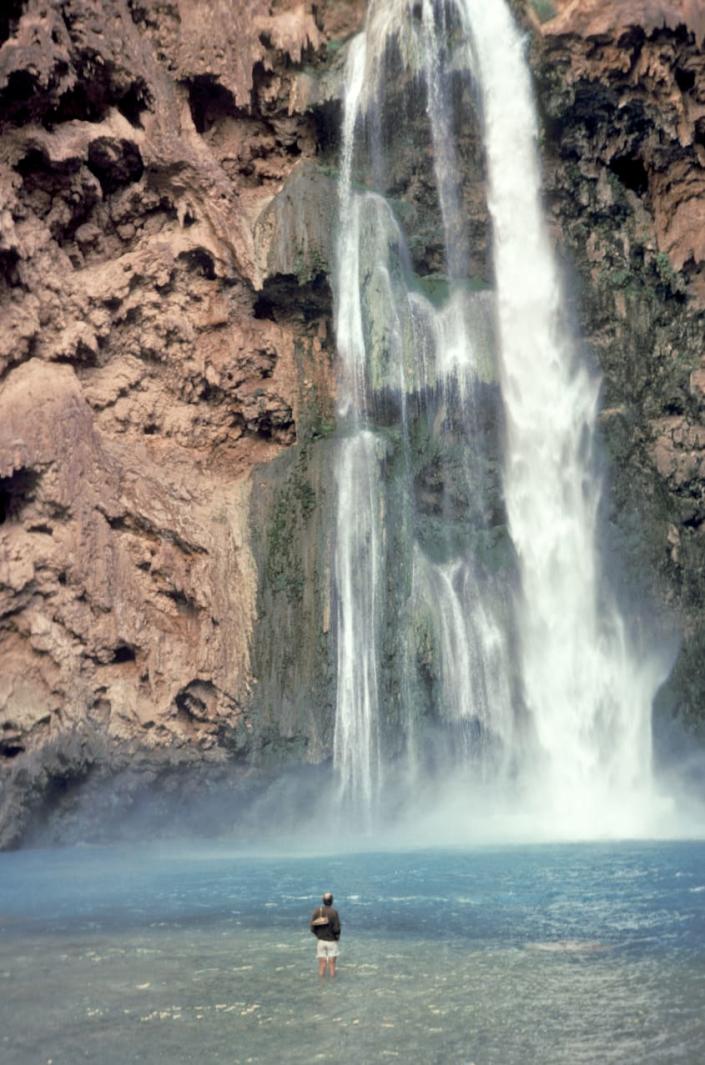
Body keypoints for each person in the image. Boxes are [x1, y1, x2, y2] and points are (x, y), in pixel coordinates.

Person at [310, 890, 341, 978]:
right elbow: (337, 929)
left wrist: (318, 935)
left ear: (323, 901)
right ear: (332, 901)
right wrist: (337, 937)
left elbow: (312, 928)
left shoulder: (317, 911)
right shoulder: (334, 913)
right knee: (332, 965)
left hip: (321, 941)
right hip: (332, 941)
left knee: (322, 965)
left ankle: (321, 985)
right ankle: (333, 986)